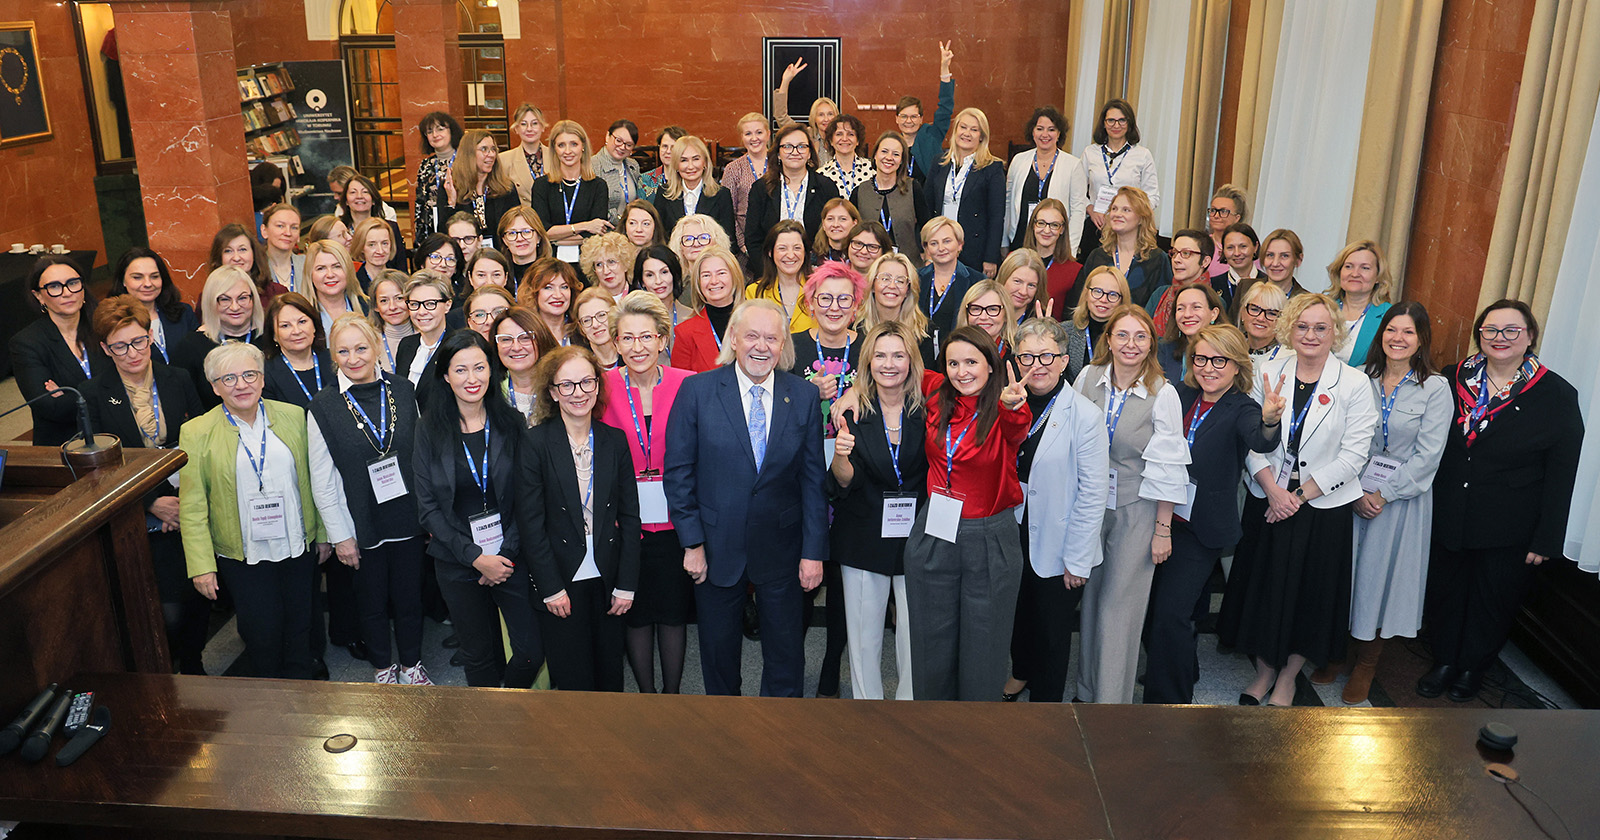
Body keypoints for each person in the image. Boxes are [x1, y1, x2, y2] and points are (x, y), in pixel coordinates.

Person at [664, 299, 828, 697]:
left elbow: (812, 482)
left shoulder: (803, 396)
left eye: (771, 338)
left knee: (786, 654)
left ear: (783, 344)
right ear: (733, 339)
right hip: (716, 548)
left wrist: (813, 553)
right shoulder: (697, 390)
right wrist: (692, 544)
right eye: (751, 335)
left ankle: (779, 735)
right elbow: (679, 473)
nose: (761, 346)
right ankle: (727, 734)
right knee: (719, 655)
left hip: (783, 550)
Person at [1221, 293, 1378, 707]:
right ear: (1289, 329)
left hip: (1321, 508)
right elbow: (1249, 435)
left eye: (1320, 327)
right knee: (1263, 589)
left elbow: (1355, 454)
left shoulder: (1355, 384)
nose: (1311, 334)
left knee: (1310, 596)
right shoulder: (1266, 371)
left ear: (1335, 333)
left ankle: (1289, 676)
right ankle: (1263, 672)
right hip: (1267, 498)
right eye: (1302, 326)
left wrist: (1296, 496)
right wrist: (1273, 490)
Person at [1422, 299, 1583, 703]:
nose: (1500, 338)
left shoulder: (1557, 394)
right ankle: (1443, 661)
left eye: (1512, 330)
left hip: (1511, 522)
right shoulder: (1452, 377)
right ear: (1480, 334)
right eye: (1491, 330)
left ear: (1529, 337)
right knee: (1446, 591)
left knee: (1491, 600)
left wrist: (1547, 538)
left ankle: (1472, 667)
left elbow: (1563, 473)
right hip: (1450, 512)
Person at [1142, 324, 1282, 704]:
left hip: (1199, 528)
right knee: (1154, 609)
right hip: (1160, 515)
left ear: (1237, 366)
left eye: (1219, 360)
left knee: (1171, 614)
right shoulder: (1180, 394)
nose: (1208, 368)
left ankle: (1166, 703)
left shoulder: (1243, 408)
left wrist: (1270, 419)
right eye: (1201, 358)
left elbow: (1259, 438)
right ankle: (1178, 666)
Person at [1318, 303, 1450, 704]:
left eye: (1408, 332)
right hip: (1352, 494)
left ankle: (1367, 663)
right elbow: (1343, 439)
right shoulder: (1361, 379)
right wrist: (1356, 490)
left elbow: (1428, 457)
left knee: (1382, 579)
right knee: (1348, 573)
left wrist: (1383, 494)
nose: (1398, 338)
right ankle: (1337, 653)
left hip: (1400, 503)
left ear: (1422, 339)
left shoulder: (1436, 388)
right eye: (1392, 330)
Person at [179, 342, 326, 679]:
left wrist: (323, 534)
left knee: (301, 625)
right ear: (214, 387)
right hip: (243, 553)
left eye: (249, 375)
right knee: (262, 632)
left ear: (262, 379)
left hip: (296, 543)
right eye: (228, 378)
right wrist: (202, 565)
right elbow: (192, 505)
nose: (241, 385)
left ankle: (305, 694)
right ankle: (269, 700)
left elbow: (313, 480)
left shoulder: (292, 416)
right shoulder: (197, 432)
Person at [1070, 304, 1190, 704]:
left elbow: (1171, 468)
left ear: (1151, 344)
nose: (1130, 344)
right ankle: (1087, 692)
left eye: (1140, 336)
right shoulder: (1087, 378)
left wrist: (1162, 529)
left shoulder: (1163, 393)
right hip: (1089, 506)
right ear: (1108, 339)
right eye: (1122, 335)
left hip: (1136, 510)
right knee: (1090, 603)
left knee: (1117, 611)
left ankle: (1110, 704)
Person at [903, 326, 1029, 700]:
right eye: (954, 363)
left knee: (984, 650)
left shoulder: (1006, 409)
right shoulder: (936, 394)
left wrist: (1013, 405)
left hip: (989, 537)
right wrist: (847, 396)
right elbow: (888, 368)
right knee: (931, 643)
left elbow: (1017, 426)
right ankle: (932, 735)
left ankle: (976, 739)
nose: (962, 372)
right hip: (935, 531)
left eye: (972, 362)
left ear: (992, 365)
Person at [84, 295, 207, 674]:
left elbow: (200, 437)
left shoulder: (178, 378)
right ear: (105, 348)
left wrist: (185, 497)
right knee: (166, 608)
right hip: (137, 509)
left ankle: (195, 662)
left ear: (150, 336)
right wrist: (153, 502)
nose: (132, 352)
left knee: (197, 591)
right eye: (120, 346)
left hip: (187, 496)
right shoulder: (93, 394)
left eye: (138, 341)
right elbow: (100, 466)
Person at [412, 330, 542, 688]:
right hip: (456, 559)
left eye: (480, 368)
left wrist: (503, 555)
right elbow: (428, 508)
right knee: (478, 655)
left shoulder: (512, 423)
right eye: (461, 370)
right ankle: (494, 728)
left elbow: (526, 498)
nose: (472, 379)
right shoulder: (428, 430)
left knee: (531, 649)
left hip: (509, 555)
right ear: (445, 376)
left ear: (492, 370)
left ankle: (507, 698)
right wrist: (474, 557)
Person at [306, 314, 431, 685]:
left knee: (410, 599)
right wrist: (341, 536)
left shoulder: (404, 391)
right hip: (360, 523)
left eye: (361, 348)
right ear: (334, 356)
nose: (354, 358)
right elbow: (322, 479)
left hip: (408, 517)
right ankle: (382, 668)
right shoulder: (323, 406)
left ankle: (411, 664)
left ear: (377, 347)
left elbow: (422, 456)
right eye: (343, 351)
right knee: (371, 604)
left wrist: (429, 515)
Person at [518, 345, 640, 691]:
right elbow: (531, 524)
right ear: (553, 392)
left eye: (586, 382)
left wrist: (627, 584)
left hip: (608, 576)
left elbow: (630, 517)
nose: (578, 393)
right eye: (567, 385)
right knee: (572, 678)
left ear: (598, 386)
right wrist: (550, 587)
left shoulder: (614, 441)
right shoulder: (535, 443)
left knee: (609, 675)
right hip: (561, 578)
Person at [1003, 318, 1109, 703]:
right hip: (1013, 527)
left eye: (1047, 355)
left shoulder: (1084, 415)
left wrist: (1078, 560)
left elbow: (1093, 492)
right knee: (1019, 612)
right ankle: (1019, 671)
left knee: (1051, 626)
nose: (1038, 364)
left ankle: (1046, 701)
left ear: (1065, 361)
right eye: (1028, 356)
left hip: (1060, 538)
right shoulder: (1006, 404)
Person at [600, 291, 695, 693]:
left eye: (646, 337)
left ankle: (671, 697)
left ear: (662, 339)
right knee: (635, 614)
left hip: (677, 520)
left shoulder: (689, 385)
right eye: (627, 338)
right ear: (616, 342)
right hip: (624, 523)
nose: (637, 347)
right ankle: (647, 697)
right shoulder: (599, 387)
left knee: (672, 614)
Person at [828, 321, 928, 700]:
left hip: (917, 537)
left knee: (913, 636)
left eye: (898, 355)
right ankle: (866, 711)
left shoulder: (928, 408)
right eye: (880, 356)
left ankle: (909, 709)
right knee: (863, 637)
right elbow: (842, 481)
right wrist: (840, 456)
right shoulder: (853, 411)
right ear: (868, 362)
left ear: (911, 361)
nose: (889, 364)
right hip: (864, 534)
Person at [791, 261, 867, 696]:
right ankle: (793, 660)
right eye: (825, 298)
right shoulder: (793, 348)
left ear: (855, 305)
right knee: (802, 578)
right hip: (803, 479)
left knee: (843, 584)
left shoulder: (871, 349)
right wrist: (807, 395)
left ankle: (830, 669)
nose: (834, 306)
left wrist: (862, 388)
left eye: (844, 298)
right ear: (811, 303)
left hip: (855, 479)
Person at [10, 256, 109, 445]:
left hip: (117, 434)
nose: (67, 293)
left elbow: (131, 381)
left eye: (73, 283)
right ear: (38, 295)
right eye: (54, 287)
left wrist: (72, 395)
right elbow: (50, 408)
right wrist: (109, 391)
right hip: (64, 445)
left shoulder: (104, 326)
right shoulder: (26, 343)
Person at [927, 108, 1006, 279]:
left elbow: (996, 216)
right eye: (963, 127)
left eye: (974, 129)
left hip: (974, 250)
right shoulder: (939, 162)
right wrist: (926, 247)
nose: (967, 133)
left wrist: (990, 257)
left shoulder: (992, 168)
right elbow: (928, 207)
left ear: (982, 136)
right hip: (939, 246)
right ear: (955, 131)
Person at [173, 266, 267, 408]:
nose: (235, 307)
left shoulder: (270, 340)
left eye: (242, 298)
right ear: (211, 302)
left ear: (253, 300)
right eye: (224, 299)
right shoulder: (191, 346)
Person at [745, 123, 842, 259]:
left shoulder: (826, 187)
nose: (795, 152)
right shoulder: (761, 188)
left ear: (809, 153)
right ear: (778, 153)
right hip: (771, 266)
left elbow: (835, 233)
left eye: (802, 146)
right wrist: (767, 273)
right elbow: (753, 239)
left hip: (816, 266)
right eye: (787, 147)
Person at [1080, 99, 1159, 261]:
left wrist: (1132, 215)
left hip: (1130, 229)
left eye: (1122, 120)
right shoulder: (1090, 152)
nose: (1116, 125)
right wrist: (1091, 210)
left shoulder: (1143, 155)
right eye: (1111, 120)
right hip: (1096, 225)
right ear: (1103, 123)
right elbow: (1077, 191)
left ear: (1129, 123)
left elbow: (1152, 196)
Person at [1005, 107, 1087, 261]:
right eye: (1040, 129)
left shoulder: (1073, 165)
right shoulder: (1018, 161)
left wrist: (1071, 248)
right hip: (1020, 238)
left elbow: (1078, 211)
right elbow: (1007, 204)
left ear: (1059, 134)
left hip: (1054, 243)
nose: (1045, 134)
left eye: (1051, 129)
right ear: (1033, 132)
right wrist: (1004, 241)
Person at [1073, 186, 1171, 309]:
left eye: (1126, 210)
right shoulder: (1097, 256)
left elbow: (1162, 308)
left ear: (1141, 218)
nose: (1117, 214)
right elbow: (1079, 302)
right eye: (1114, 209)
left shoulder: (1158, 259)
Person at [532, 120, 613, 266]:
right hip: (550, 261)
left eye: (574, 144)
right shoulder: (542, 186)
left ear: (583, 147)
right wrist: (584, 226)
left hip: (588, 262)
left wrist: (556, 237)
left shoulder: (598, 186)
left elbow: (595, 233)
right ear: (554, 149)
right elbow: (542, 231)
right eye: (561, 145)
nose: (567, 151)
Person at [108, 247, 198, 366]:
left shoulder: (183, 312)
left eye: (154, 276)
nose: (148, 284)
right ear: (123, 281)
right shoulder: (113, 321)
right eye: (137, 277)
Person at [851, 131, 931, 264]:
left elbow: (926, 226)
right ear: (875, 155)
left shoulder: (913, 188)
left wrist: (928, 257)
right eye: (884, 151)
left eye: (896, 154)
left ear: (901, 161)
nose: (889, 157)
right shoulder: (859, 192)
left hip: (909, 265)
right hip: (868, 268)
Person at [653, 135, 736, 250]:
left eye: (696, 159)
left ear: (705, 163)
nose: (690, 166)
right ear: (676, 165)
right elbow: (659, 237)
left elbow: (728, 239)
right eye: (684, 160)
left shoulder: (721, 194)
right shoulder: (664, 193)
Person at [671, 246, 745, 373]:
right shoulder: (685, 333)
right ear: (698, 282)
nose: (714, 281)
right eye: (706, 275)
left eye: (721, 273)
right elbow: (681, 386)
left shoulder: (756, 322)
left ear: (735, 276)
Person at [260, 292, 333, 410]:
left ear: (314, 325)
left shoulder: (335, 360)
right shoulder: (265, 374)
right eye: (285, 326)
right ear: (273, 335)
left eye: (302, 322)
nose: (296, 331)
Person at [918, 216, 982, 351]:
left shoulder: (977, 281)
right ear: (927, 248)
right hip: (920, 354)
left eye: (947, 241)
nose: (941, 248)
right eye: (934, 243)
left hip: (960, 353)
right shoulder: (916, 279)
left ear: (960, 244)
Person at [1326, 240, 1395, 365]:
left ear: (1378, 277)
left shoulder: (1389, 316)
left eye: (1365, 268)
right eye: (1348, 266)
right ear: (1339, 272)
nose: (1355, 274)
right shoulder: (1322, 307)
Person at [896, 41, 956, 182]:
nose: (908, 121)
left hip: (927, 201)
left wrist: (944, 69)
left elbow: (945, 108)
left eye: (913, 116)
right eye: (904, 116)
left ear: (921, 119)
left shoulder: (931, 136)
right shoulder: (893, 143)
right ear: (896, 119)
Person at [393, 271, 454, 410]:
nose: (421, 312)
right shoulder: (406, 345)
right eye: (414, 304)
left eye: (430, 304)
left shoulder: (459, 346)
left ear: (448, 305)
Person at [443, 129, 520, 235]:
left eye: (493, 149)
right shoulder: (451, 187)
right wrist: (451, 202)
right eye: (484, 149)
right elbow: (444, 234)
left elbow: (516, 226)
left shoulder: (506, 188)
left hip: (498, 250)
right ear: (469, 154)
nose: (491, 154)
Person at [746, 219, 817, 333]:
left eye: (797, 248)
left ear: (806, 252)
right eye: (782, 248)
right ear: (770, 252)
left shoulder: (820, 289)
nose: (790, 255)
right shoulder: (754, 292)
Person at [492, 307, 560, 424]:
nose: (516, 347)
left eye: (525, 338)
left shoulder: (561, 388)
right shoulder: (491, 393)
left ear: (541, 339)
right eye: (506, 339)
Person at [1063, 266, 1130, 384]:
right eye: (1097, 291)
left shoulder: (1128, 338)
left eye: (1113, 294)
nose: (1104, 299)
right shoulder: (1065, 332)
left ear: (1122, 300)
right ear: (1086, 294)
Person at [1019, 199, 1085, 315]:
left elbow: (1071, 322)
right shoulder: (1015, 261)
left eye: (1054, 225)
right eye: (1041, 223)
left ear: (1062, 229)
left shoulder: (1074, 271)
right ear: (1033, 225)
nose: (1047, 230)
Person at [721, 113, 771, 260]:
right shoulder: (733, 169)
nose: (754, 138)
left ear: (768, 135)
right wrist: (743, 244)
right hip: (745, 246)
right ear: (742, 138)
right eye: (748, 133)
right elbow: (728, 211)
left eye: (759, 132)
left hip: (779, 240)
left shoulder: (780, 164)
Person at [1148, 228, 1216, 335]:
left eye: (1186, 253)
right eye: (1174, 253)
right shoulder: (1160, 294)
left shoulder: (1212, 300)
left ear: (1205, 261)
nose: (1176, 260)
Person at [1155, 283, 1227, 385]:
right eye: (1180, 308)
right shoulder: (1164, 350)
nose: (1187, 314)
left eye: (1196, 307)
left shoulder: (1227, 351)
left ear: (1214, 314)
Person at [858, 252, 929, 348]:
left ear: (908, 290)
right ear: (873, 285)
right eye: (885, 279)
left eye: (900, 281)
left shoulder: (924, 332)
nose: (892, 286)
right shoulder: (856, 330)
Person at [338, 173, 407, 269]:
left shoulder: (390, 227)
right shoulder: (340, 229)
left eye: (365, 192)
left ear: (373, 200)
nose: (359, 196)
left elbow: (400, 267)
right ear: (346, 200)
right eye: (353, 192)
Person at [415, 111, 464, 242]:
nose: (435, 135)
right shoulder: (426, 165)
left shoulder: (464, 161)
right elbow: (420, 202)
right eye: (429, 132)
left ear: (451, 131)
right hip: (431, 227)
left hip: (459, 224)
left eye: (440, 129)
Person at [209, 222, 285, 307]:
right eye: (228, 251)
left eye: (242, 249)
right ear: (219, 257)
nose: (236, 258)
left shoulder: (277, 293)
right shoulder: (209, 296)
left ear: (254, 253)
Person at [633, 245, 693, 352]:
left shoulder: (691, 316)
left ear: (674, 274)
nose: (658, 281)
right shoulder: (635, 320)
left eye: (664, 272)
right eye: (650, 275)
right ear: (642, 281)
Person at [1235, 228, 1309, 313]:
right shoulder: (1245, 287)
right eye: (1270, 255)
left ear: (1298, 260)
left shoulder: (1306, 301)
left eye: (1284, 256)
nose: (1275, 263)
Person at [303, 240, 370, 334]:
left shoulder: (370, 307)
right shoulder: (302, 316)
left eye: (337, 266)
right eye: (321, 268)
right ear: (310, 274)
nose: (330, 274)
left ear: (348, 270)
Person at [516, 257, 579, 346]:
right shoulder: (523, 333)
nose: (558, 295)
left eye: (564, 287)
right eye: (548, 287)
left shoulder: (582, 331)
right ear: (533, 293)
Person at [592, 119, 643, 223]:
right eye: (618, 141)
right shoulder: (592, 166)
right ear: (607, 136)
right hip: (604, 233)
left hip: (631, 231)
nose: (622, 147)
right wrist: (621, 220)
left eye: (628, 145)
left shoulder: (633, 166)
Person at [956, 280, 1018, 359]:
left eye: (992, 309)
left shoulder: (1019, 353)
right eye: (976, 309)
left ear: (1006, 315)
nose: (983, 317)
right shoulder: (952, 350)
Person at [368, 269, 415, 374]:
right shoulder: (368, 341)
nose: (392, 307)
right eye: (384, 301)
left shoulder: (427, 337)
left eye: (399, 298)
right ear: (376, 306)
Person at [497, 206, 553, 293]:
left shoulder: (553, 273)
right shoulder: (499, 274)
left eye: (526, 232)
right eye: (512, 233)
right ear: (504, 240)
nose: (519, 238)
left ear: (538, 237)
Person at [499, 104, 546, 206]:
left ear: (542, 127)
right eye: (523, 124)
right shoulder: (503, 160)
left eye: (534, 123)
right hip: (522, 219)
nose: (529, 129)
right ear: (516, 128)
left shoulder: (556, 156)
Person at [819, 114, 875, 197]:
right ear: (831, 141)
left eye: (850, 134)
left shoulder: (873, 169)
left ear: (858, 141)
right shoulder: (822, 174)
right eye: (839, 134)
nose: (845, 139)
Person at [259, 203, 305, 294]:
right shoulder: (256, 268)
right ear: (264, 231)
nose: (288, 233)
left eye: (294, 227)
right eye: (280, 226)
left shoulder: (308, 265)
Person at [1206, 185, 1249, 282]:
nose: (1216, 216)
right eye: (1213, 210)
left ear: (1237, 218)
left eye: (1223, 211)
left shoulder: (1247, 249)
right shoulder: (1202, 244)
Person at [1239, 280, 1288, 364]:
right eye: (1255, 309)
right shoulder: (1229, 350)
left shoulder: (1288, 358)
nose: (1260, 318)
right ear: (1243, 313)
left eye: (1271, 313)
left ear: (1281, 320)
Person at [1217, 221, 1261, 314]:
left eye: (1243, 246)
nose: (1237, 253)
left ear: (1255, 247)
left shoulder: (1267, 283)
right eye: (1230, 247)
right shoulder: (1213, 285)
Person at [997, 248, 1050, 326]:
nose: (1023, 292)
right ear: (1003, 278)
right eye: (1017, 281)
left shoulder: (1042, 321)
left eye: (1031, 285)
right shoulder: (984, 313)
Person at [572, 287, 620, 368]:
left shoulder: (631, 354)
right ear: (581, 327)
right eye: (587, 320)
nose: (595, 325)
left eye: (601, 315)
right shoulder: (579, 366)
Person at [579, 231, 635, 300]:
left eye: (611, 262)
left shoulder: (639, 298)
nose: (606, 271)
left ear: (626, 264)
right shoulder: (588, 300)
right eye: (599, 264)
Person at [638, 125, 687, 202]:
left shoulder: (689, 178)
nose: (668, 151)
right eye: (664, 146)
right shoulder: (645, 180)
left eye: (673, 147)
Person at [351, 217, 398, 295]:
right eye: (372, 245)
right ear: (361, 247)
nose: (380, 251)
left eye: (384, 243)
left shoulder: (401, 281)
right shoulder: (354, 284)